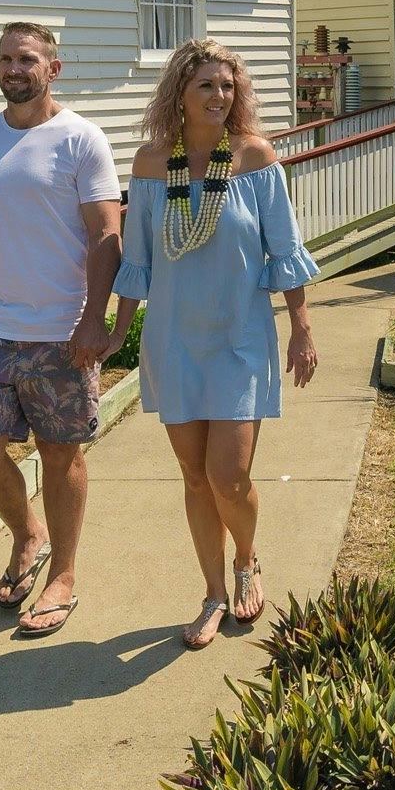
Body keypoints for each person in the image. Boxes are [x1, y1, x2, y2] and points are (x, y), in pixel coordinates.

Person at [114, 37, 320, 650]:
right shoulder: (153, 165)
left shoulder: (254, 159)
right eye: (206, 84)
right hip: (173, 341)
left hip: (239, 340)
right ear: (179, 90)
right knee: (194, 476)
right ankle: (210, 594)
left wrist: (301, 326)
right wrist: (115, 334)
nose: (219, 96)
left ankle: (246, 559)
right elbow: (137, 263)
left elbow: (284, 250)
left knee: (228, 476)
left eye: (228, 86)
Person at [0, 21, 123, 639]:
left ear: (53, 69)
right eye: (6, 58)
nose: (14, 68)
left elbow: (106, 235)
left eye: (27, 59)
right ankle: (28, 532)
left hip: (60, 331)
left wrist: (96, 319)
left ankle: (62, 574)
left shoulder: (81, 140)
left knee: (61, 454)